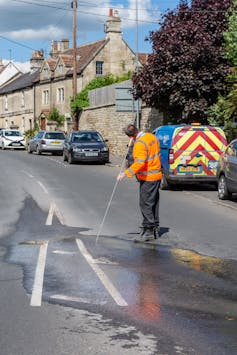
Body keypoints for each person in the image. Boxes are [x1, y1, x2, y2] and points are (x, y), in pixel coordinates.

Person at [117, 124, 162, 242]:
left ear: (130, 136)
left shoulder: (139, 144)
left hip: (148, 176)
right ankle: (155, 226)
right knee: (154, 202)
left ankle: (149, 230)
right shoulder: (151, 136)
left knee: (145, 203)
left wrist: (125, 173)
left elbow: (139, 163)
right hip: (157, 174)